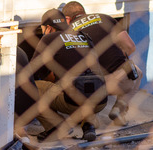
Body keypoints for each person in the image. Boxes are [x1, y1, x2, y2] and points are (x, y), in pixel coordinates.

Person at [31, 8, 108, 142]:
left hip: (72, 100)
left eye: (43, 28)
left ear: (48, 28)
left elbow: (32, 72)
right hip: (101, 100)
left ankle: (55, 126)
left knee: (29, 86)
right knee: (82, 85)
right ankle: (88, 124)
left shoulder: (49, 38)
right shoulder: (84, 35)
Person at [62, 1, 143, 126]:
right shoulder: (105, 18)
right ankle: (119, 110)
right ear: (84, 12)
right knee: (137, 72)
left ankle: (89, 117)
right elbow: (130, 46)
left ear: (67, 19)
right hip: (118, 80)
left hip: (87, 86)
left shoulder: (67, 31)